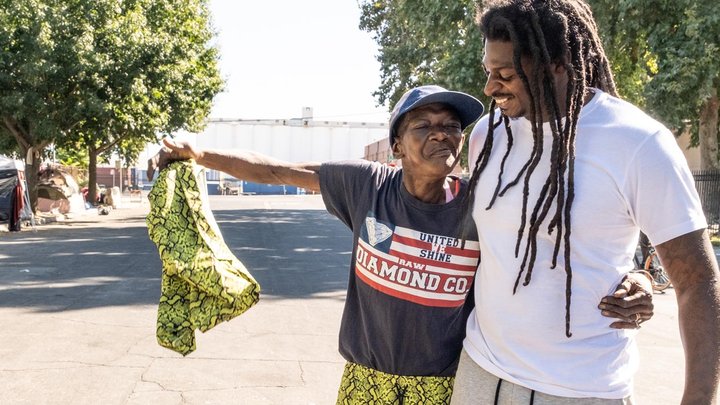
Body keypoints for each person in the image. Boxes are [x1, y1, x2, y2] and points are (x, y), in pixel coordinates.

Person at [149, 85, 653, 404]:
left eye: (451, 126)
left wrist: (637, 276)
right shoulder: (366, 186)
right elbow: (275, 168)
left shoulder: (483, 203)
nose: (442, 136)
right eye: (424, 127)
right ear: (397, 145)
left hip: (445, 385)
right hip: (365, 380)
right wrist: (199, 151)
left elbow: (562, 244)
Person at [452, 1, 720, 404]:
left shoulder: (637, 142)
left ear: (558, 64)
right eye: (488, 72)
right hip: (479, 374)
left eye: (506, 75)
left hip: (581, 391)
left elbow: (698, 281)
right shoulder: (486, 136)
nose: (490, 88)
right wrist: (638, 274)